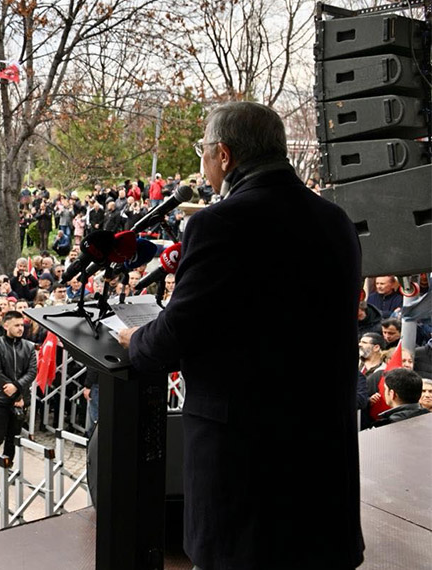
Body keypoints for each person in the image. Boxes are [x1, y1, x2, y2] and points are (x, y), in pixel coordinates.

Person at [119, 102, 364, 569]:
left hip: (247, 467)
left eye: (204, 151)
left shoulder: (220, 223)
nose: (202, 163)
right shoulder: (336, 221)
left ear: (225, 155)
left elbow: (179, 333)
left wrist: (136, 342)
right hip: (320, 457)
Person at [0, 311, 36, 487]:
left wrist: (18, 392)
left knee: (13, 437)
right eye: (17, 325)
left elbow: (32, 372)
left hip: (20, 400)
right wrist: (12, 391)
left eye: (22, 325)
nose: (20, 328)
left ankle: (7, 466)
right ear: (6, 326)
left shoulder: (29, 346)